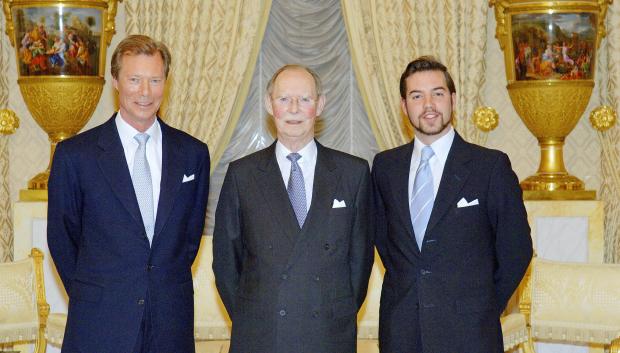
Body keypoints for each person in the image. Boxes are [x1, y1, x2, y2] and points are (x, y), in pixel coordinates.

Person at [47, 34, 210, 353]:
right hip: (99, 321)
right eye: (135, 79)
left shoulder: (193, 154)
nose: (145, 92)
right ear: (116, 81)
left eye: (155, 80)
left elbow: (188, 238)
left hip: (169, 324)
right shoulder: (75, 155)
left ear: (166, 82)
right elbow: (62, 238)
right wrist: (95, 292)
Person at [371, 56, 532, 352]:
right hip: (402, 330)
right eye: (417, 96)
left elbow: (516, 249)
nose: (428, 104)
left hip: (470, 332)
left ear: (453, 100)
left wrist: (482, 305)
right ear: (404, 106)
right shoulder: (385, 167)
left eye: (438, 93)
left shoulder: (490, 166)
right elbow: (385, 240)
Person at [213, 64, 373, 353]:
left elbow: (360, 262)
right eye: (284, 99)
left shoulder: (353, 173)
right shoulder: (242, 175)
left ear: (320, 105)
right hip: (262, 334)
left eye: (305, 99)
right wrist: (256, 314)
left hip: (328, 334)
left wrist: (336, 310)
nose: (294, 109)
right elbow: (226, 263)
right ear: (269, 104)